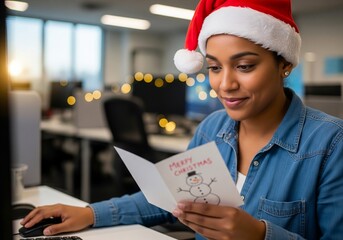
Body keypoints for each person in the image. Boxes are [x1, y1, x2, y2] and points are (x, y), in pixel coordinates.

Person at [21, 0, 343, 239]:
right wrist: (90, 213)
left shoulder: (330, 144)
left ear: (284, 63)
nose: (224, 84)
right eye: (214, 67)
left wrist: (260, 235)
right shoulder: (212, 130)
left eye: (244, 66)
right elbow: (168, 199)